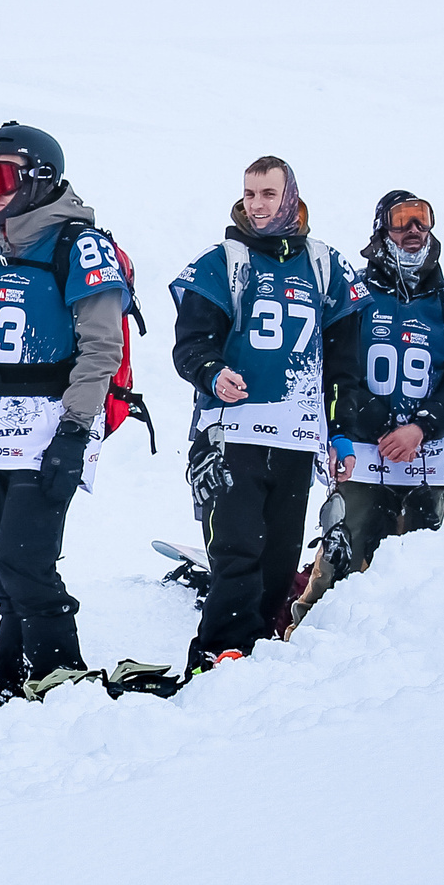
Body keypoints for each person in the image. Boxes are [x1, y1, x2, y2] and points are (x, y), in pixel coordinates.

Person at [0, 123, 128, 701]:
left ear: (39, 177)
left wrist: (73, 432)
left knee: (24, 559)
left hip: (49, 422)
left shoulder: (79, 247)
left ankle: (59, 672)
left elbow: (102, 348)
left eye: (2, 175)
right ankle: (11, 681)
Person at [169, 157, 364, 672]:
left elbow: (345, 363)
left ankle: (259, 658)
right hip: (231, 432)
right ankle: (217, 654)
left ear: (291, 197)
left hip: (297, 436)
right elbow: (190, 344)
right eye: (250, 193)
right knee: (237, 551)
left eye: (268, 194)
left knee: (280, 557)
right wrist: (212, 373)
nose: (257, 205)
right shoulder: (224, 260)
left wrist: (341, 433)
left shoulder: (325, 265)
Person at [333, 190, 444, 567]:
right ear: (381, 229)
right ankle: (306, 623)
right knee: (344, 566)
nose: (413, 229)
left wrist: (423, 427)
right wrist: (376, 423)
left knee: (414, 577)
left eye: (421, 218)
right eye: (401, 219)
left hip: (428, 459)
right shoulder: (353, 294)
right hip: (362, 456)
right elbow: (337, 369)